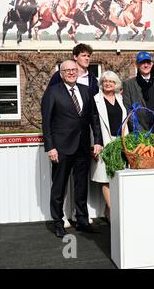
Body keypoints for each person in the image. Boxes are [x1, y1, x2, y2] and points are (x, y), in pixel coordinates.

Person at [41, 60, 103, 238]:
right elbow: (46, 122)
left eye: (73, 70)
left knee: (81, 186)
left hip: (83, 147)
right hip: (61, 148)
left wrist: (97, 141)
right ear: (61, 74)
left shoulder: (85, 91)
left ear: (78, 71)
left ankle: (82, 220)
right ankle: (58, 222)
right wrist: (50, 147)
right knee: (59, 187)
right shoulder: (53, 92)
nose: (70, 73)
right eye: (66, 70)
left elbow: (94, 118)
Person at [90, 71, 127, 223]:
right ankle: (113, 212)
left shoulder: (120, 98)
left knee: (117, 176)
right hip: (104, 142)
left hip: (119, 141)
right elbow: (92, 123)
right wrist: (95, 143)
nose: (107, 83)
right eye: (105, 81)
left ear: (116, 83)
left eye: (111, 81)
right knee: (105, 178)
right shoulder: (95, 100)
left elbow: (125, 120)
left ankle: (107, 210)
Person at [122, 51, 154, 132]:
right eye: (142, 63)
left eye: (148, 62)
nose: (146, 65)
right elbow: (128, 111)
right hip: (138, 134)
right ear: (137, 65)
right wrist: (140, 133)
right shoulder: (128, 84)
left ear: (151, 64)